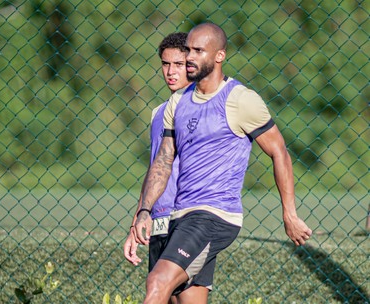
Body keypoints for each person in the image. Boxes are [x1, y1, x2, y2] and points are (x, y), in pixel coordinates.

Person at [133, 22, 313, 304]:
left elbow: (280, 152)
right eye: (188, 50)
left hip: (214, 215)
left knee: (157, 281)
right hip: (182, 216)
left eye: (198, 51)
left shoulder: (240, 100)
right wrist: (144, 209)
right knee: (184, 300)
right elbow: (163, 161)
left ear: (219, 56)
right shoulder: (177, 102)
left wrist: (289, 214)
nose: (190, 57)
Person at [123, 32, 192, 304]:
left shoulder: (201, 107)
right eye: (166, 64)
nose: (171, 71)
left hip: (188, 220)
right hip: (158, 220)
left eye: (178, 64)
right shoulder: (158, 112)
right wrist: (138, 218)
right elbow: (155, 169)